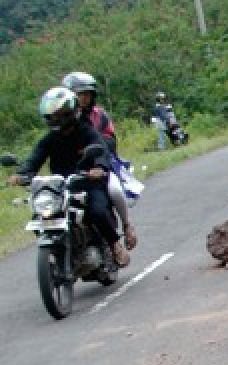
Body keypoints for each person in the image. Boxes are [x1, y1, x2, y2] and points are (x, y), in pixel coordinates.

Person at [7, 87, 129, 267]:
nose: (55, 118)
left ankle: (114, 244)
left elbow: (100, 149)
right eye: (52, 115)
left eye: (60, 114)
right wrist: (22, 174)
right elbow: (35, 157)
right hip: (62, 185)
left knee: (97, 211)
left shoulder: (86, 131)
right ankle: (59, 250)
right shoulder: (50, 138)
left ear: (70, 112)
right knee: (39, 217)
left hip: (89, 181)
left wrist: (99, 167)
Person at [62, 71, 139, 250]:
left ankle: (126, 225)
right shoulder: (62, 118)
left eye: (86, 94)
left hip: (101, 164)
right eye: (78, 94)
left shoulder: (99, 115)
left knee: (114, 190)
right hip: (73, 168)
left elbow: (111, 140)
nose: (83, 99)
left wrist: (93, 146)